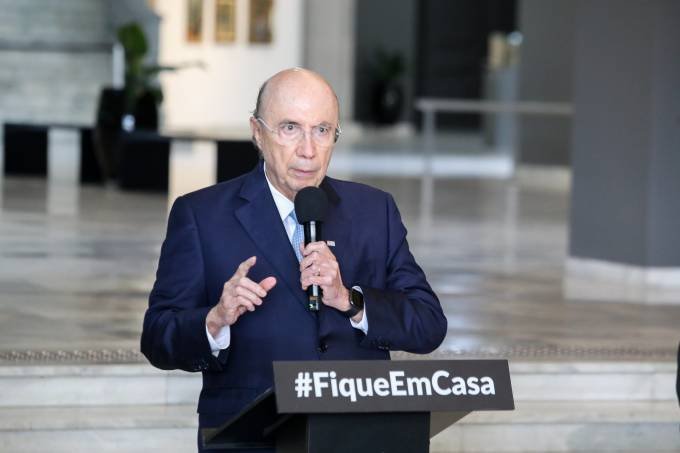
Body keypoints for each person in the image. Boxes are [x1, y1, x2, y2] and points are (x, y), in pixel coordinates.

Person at [141, 68, 448, 451]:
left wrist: (350, 300)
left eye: (322, 130)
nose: (308, 150)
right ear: (257, 132)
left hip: (359, 436)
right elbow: (158, 337)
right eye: (290, 128)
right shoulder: (201, 216)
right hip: (252, 440)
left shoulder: (374, 211)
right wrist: (214, 320)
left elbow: (428, 324)